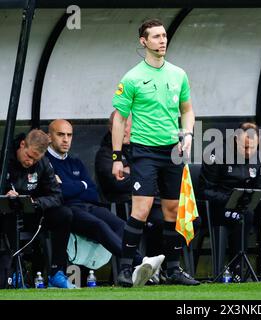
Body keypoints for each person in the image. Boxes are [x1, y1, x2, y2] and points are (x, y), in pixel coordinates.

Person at [111, 19, 199, 286]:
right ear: (143, 42)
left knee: (173, 209)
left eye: (164, 36)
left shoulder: (178, 74)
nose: (162, 41)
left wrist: (189, 134)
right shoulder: (132, 77)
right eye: (156, 37)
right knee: (143, 207)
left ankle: (173, 269)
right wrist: (117, 157)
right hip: (144, 150)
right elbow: (118, 119)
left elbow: (187, 110)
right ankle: (125, 269)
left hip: (173, 151)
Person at [46, 119, 164, 286]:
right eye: (60, 135)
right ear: (49, 137)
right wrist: (81, 185)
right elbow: (60, 194)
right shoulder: (46, 162)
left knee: (120, 224)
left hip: (88, 206)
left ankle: (134, 268)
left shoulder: (76, 162)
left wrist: (71, 186)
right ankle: (139, 262)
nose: (66, 139)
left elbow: (92, 192)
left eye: (69, 135)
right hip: (66, 211)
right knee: (99, 226)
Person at [198, 122, 261, 282]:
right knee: (245, 215)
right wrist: (230, 198)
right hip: (219, 208)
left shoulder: (259, 157)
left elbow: (260, 187)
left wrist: (257, 198)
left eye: (253, 147)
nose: (249, 151)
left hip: (248, 205)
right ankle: (237, 269)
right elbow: (205, 190)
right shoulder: (216, 155)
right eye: (245, 147)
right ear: (236, 140)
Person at [1, 129, 75, 288]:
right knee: (9, 212)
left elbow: (56, 195)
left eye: (35, 159)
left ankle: (56, 272)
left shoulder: (43, 163)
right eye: (28, 156)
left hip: (34, 212)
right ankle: (14, 272)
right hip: (8, 214)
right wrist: (5, 194)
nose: (30, 162)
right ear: (22, 145)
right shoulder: (5, 158)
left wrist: (35, 202)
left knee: (65, 214)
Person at [95, 110, 165, 260]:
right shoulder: (105, 154)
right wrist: (142, 174)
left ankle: (166, 265)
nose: (126, 129)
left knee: (191, 220)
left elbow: (158, 177)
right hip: (125, 207)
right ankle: (153, 264)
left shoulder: (141, 148)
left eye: (129, 125)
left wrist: (132, 171)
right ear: (111, 128)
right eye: (121, 125)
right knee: (162, 222)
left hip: (153, 201)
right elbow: (118, 184)